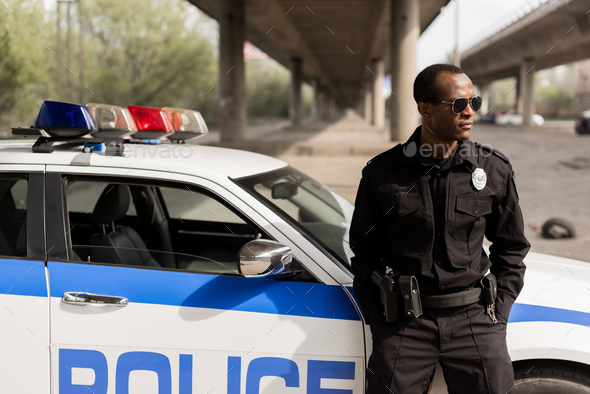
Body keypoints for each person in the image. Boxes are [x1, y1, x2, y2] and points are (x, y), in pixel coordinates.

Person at [349, 63, 530, 394]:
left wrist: (497, 314)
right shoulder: (382, 174)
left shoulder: (493, 169)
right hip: (404, 324)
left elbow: (512, 247)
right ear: (424, 107)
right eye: (458, 104)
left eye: (474, 102)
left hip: (475, 321)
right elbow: (364, 253)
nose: (470, 112)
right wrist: (380, 320)